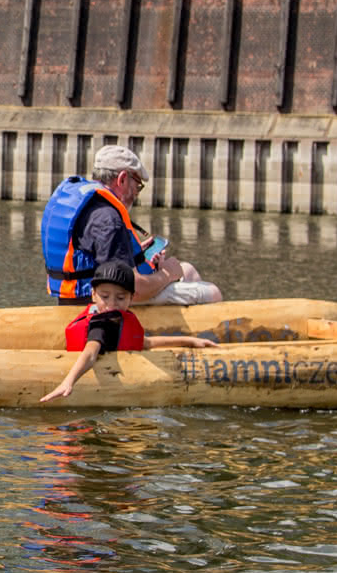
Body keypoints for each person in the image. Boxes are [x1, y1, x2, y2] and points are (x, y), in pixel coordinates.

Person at [40, 144, 222, 307]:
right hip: (96, 303)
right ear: (122, 179)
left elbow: (95, 254)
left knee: (188, 270)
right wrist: (168, 273)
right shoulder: (108, 219)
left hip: (72, 298)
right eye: (137, 185)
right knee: (212, 292)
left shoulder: (85, 204)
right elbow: (134, 288)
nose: (136, 193)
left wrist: (128, 252)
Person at [40, 261, 216, 402]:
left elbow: (146, 343)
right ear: (93, 294)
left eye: (121, 297)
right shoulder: (102, 324)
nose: (112, 304)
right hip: (77, 381)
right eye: (105, 296)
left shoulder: (117, 320)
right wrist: (68, 382)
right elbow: (90, 352)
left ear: (132, 298)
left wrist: (190, 341)